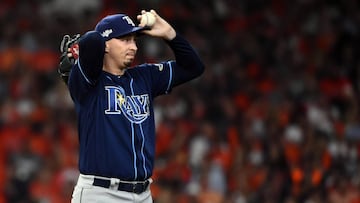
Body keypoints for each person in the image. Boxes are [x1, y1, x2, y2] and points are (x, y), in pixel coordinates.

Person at [58, 9, 205, 202]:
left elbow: (194, 67)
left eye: (135, 39)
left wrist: (170, 34)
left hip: (143, 194)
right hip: (100, 193)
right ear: (105, 46)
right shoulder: (88, 83)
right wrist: (87, 48)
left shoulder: (145, 77)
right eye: (125, 39)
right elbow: (93, 40)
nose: (133, 46)